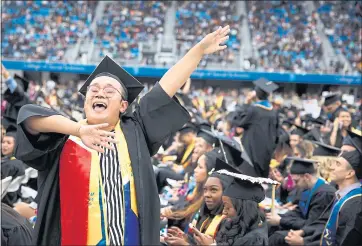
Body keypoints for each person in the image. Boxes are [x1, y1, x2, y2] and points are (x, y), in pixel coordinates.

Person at [14, 25, 231, 246]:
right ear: (85, 100)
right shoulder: (64, 138)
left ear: (123, 105)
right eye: (94, 89)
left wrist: (199, 50)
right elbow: (29, 118)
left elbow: (165, 88)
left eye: (109, 91)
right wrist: (79, 130)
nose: (99, 92)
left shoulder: (136, 131)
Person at [285, 150, 362, 246]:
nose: (331, 167)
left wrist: (304, 243)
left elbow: (344, 240)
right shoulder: (341, 196)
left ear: (349, 174)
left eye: (337, 164)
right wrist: (303, 231)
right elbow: (324, 222)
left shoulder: (355, 202)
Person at [193, 159, 277, 246]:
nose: (224, 212)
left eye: (228, 207)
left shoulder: (255, 239)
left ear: (243, 209)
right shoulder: (232, 225)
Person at [267, 157, 336, 246]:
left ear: (306, 177)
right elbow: (299, 211)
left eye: (296, 181)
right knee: (270, 225)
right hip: (304, 227)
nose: (294, 185)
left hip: (315, 235)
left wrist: (281, 220)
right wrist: (278, 216)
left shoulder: (324, 194)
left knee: (277, 237)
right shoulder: (307, 188)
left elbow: (311, 224)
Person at [229, 77, 279, 177]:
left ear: (255, 93)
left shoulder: (254, 110)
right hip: (265, 157)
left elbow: (236, 120)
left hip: (251, 155)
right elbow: (276, 137)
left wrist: (246, 102)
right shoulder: (274, 113)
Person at [164, 172, 229, 245]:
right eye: (205, 190)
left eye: (213, 190)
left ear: (227, 193)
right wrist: (187, 239)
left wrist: (185, 244)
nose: (206, 194)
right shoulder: (207, 214)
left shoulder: (228, 224)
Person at [1, 126, 27, 207]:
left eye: (8, 143)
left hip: (6, 201)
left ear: (16, 146)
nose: (4, 145)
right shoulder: (18, 161)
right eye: (3, 142)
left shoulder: (9, 166)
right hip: (13, 197)